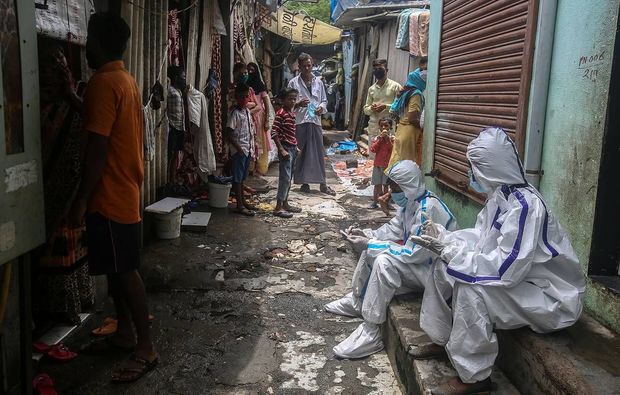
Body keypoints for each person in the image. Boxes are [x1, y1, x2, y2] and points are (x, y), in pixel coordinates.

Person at [410, 128, 586, 395]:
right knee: (442, 268)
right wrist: (444, 239)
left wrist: (452, 254)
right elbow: (480, 239)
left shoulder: (526, 207)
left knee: (471, 287)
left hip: (551, 296)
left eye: (474, 167)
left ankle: (475, 377)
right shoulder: (500, 198)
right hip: (524, 281)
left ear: (489, 168)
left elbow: (506, 270)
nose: (471, 173)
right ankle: (441, 339)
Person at [67, 12, 157, 383]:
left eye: (88, 40)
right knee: (119, 272)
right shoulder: (123, 80)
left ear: (100, 43)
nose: (85, 47)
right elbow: (99, 122)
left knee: (125, 272)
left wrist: (81, 198)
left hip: (109, 195)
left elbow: (98, 149)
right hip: (124, 190)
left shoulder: (105, 83)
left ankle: (146, 348)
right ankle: (124, 334)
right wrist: (74, 98)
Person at [325, 160, 456, 359]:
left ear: (407, 186)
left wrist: (371, 244)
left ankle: (371, 331)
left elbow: (415, 253)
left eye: (395, 187)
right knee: (372, 248)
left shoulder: (427, 210)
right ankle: (358, 301)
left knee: (383, 260)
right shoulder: (412, 202)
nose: (392, 191)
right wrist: (368, 234)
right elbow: (392, 229)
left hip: (432, 272)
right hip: (418, 265)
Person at [288, 53, 336, 196]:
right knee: (301, 154)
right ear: (299, 67)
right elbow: (287, 103)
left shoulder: (319, 82)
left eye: (309, 65)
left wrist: (322, 108)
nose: (307, 68)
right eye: (304, 66)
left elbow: (324, 101)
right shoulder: (293, 83)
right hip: (300, 121)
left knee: (318, 153)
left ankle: (323, 183)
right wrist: (297, 104)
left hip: (315, 121)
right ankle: (304, 183)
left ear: (312, 64)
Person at [386, 57, 428, 170]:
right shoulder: (417, 94)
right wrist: (426, 126)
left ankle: (395, 187)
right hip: (410, 134)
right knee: (407, 169)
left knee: (398, 165)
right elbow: (412, 118)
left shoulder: (405, 92)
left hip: (401, 130)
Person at [226, 83, 257, 216]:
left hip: (247, 149)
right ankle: (239, 205)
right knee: (237, 179)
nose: (244, 99)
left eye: (246, 97)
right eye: (241, 97)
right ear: (236, 98)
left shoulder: (247, 112)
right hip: (240, 150)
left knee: (242, 177)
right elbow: (228, 133)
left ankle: (242, 201)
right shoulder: (234, 114)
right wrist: (238, 148)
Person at [272, 88, 302, 218]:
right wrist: (281, 149)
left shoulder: (292, 113)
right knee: (284, 178)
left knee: (289, 178)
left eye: (294, 99)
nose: (292, 101)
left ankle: (285, 203)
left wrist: (296, 147)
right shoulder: (281, 114)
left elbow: (291, 133)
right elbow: (274, 132)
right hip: (285, 148)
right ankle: (278, 207)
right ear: (283, 100)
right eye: (290, 98)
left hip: (292, 148)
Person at [363, 59, 402, 139]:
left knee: (388, 151)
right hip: (374, 129)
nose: (377, 71)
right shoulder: (371, 89)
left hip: (389, 130)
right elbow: (366, 110)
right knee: (373, 151)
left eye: (380, 69)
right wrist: (372, 108)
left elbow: (401, 107)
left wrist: (385, 106)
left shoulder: (396, 87)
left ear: (386, 70)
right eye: (375, 69)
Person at [247, 62, 273, 175]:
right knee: (250, 141)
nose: (250, 72)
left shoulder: (260, 85)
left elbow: (266, 103)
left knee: (261, 142)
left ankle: (261, 167)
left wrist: (267, 120)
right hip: (249, 116)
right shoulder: (246, 84)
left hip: (260, 117)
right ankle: (251, 168)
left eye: (252, 70)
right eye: (248, 70)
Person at [369, 118, 395, 209]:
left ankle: (386, 203)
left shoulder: (392, 138)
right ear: (379, 127)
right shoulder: (377, 138)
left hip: (387, 166)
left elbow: (392, 150)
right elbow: (373, 149)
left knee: (386, 185)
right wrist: (380, 140)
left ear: (390, 127)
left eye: (386, 125)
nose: (383, 127)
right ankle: (375, 202)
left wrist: (387, 139)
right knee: (377, 184)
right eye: (381, 125)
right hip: (378, 165)